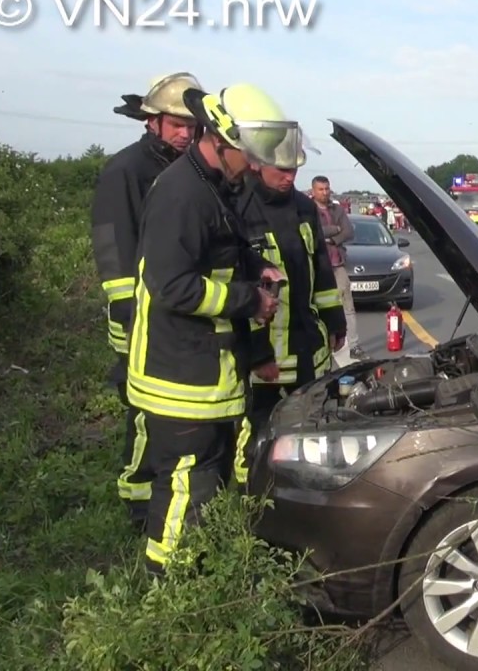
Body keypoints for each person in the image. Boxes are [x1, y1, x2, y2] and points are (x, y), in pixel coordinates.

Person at [127, 82, 299, 574]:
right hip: (180, 381)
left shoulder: (212, 187)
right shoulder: (183, 194)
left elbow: (217, 254)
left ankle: (197, 579)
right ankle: (169, 595)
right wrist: (251, 299)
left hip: (206, 375)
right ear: (225, 141)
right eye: (253, 154)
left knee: (206, 488)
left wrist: (253, 270)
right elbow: (173, 286)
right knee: (186, 489)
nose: (257, 165)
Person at [90, 71, 203, 531]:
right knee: (143, 412)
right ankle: (138, 503)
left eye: (191, 125)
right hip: (138, 315)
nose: (185, 132)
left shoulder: (190, 170)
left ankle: (172, 493)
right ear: (151, 122)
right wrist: (127, 313)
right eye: (175, 124)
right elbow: (113, 246)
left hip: (177, 312)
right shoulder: (127, 171)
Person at [231, 139, 346, 487]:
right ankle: (250, 501)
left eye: (294, 170)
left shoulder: (302, 206)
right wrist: (257, 352)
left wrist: (334, 318)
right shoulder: (238, 206)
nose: (289, 177)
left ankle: (303, 496)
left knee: (311, 432)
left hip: (308, 347)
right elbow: (238, 286)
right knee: (259, 437)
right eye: (281, 169)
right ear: (257, 165)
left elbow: (320, 267)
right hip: (264, 360)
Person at [310, 175, 364, 362]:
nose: (324, 192)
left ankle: (354, 345)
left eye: (327, 189)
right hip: (316, 264)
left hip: (337, 263)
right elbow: (314, 231)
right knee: (316, 306)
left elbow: (348, 231)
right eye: (320, 189)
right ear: (313, 191)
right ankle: (322, 344)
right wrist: (334, 229)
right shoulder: (307, 209)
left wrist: (331, 238)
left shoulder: (337, 209)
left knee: (348, 306)